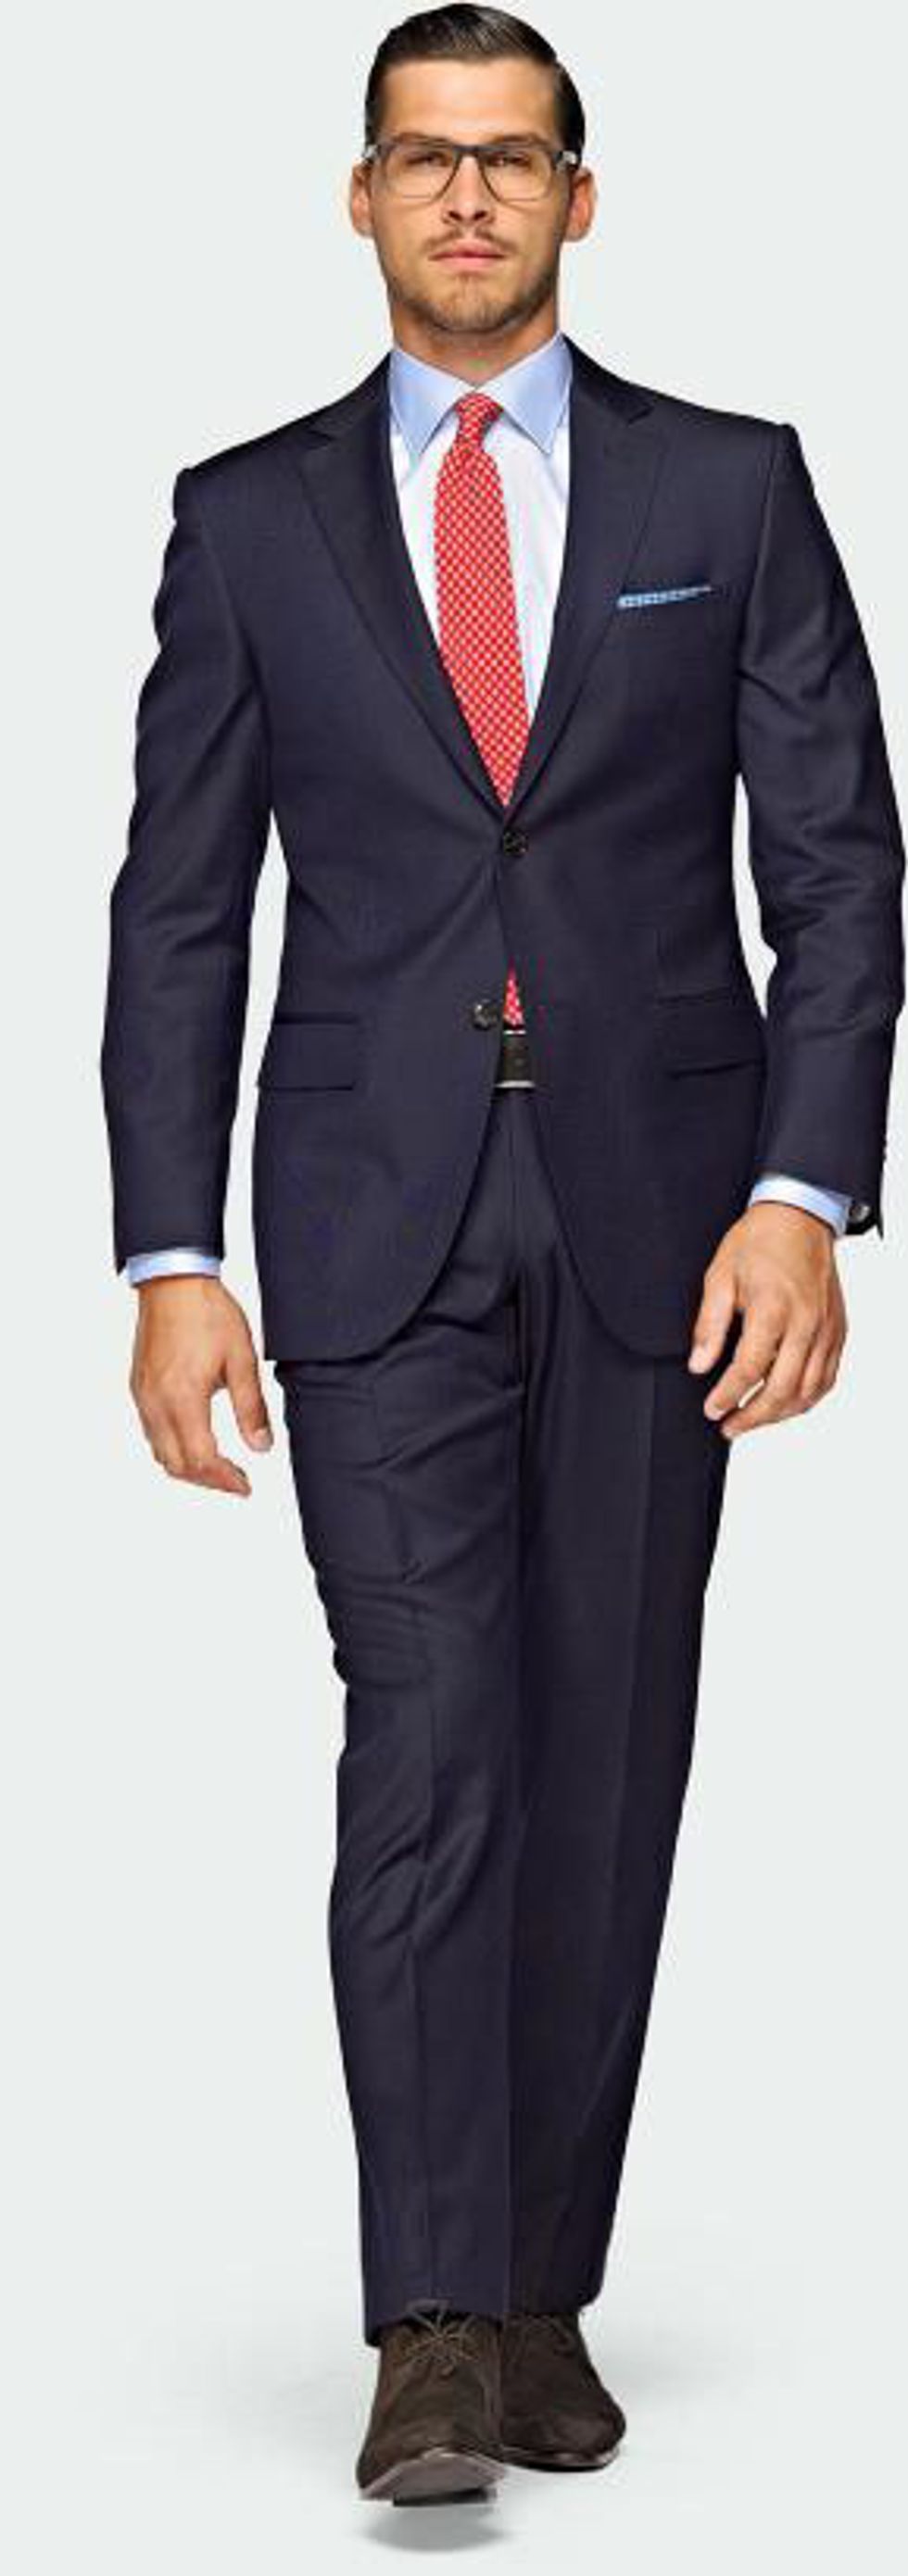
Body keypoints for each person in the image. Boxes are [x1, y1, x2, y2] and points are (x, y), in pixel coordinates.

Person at [99, 4, 905, 2509]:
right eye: (425, 158)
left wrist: (804, 1195)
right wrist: (169, 1251)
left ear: (578, 194)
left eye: (513, 157)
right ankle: (433, 2321)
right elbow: (178, 912)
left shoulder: (729, 485)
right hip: (371, 1218)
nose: (468, 195)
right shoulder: (249, 517)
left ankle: (543, 2278)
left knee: (606, 1754)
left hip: (670, 1218)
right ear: (360, 197)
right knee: (432, 1739)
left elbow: (839, 870)